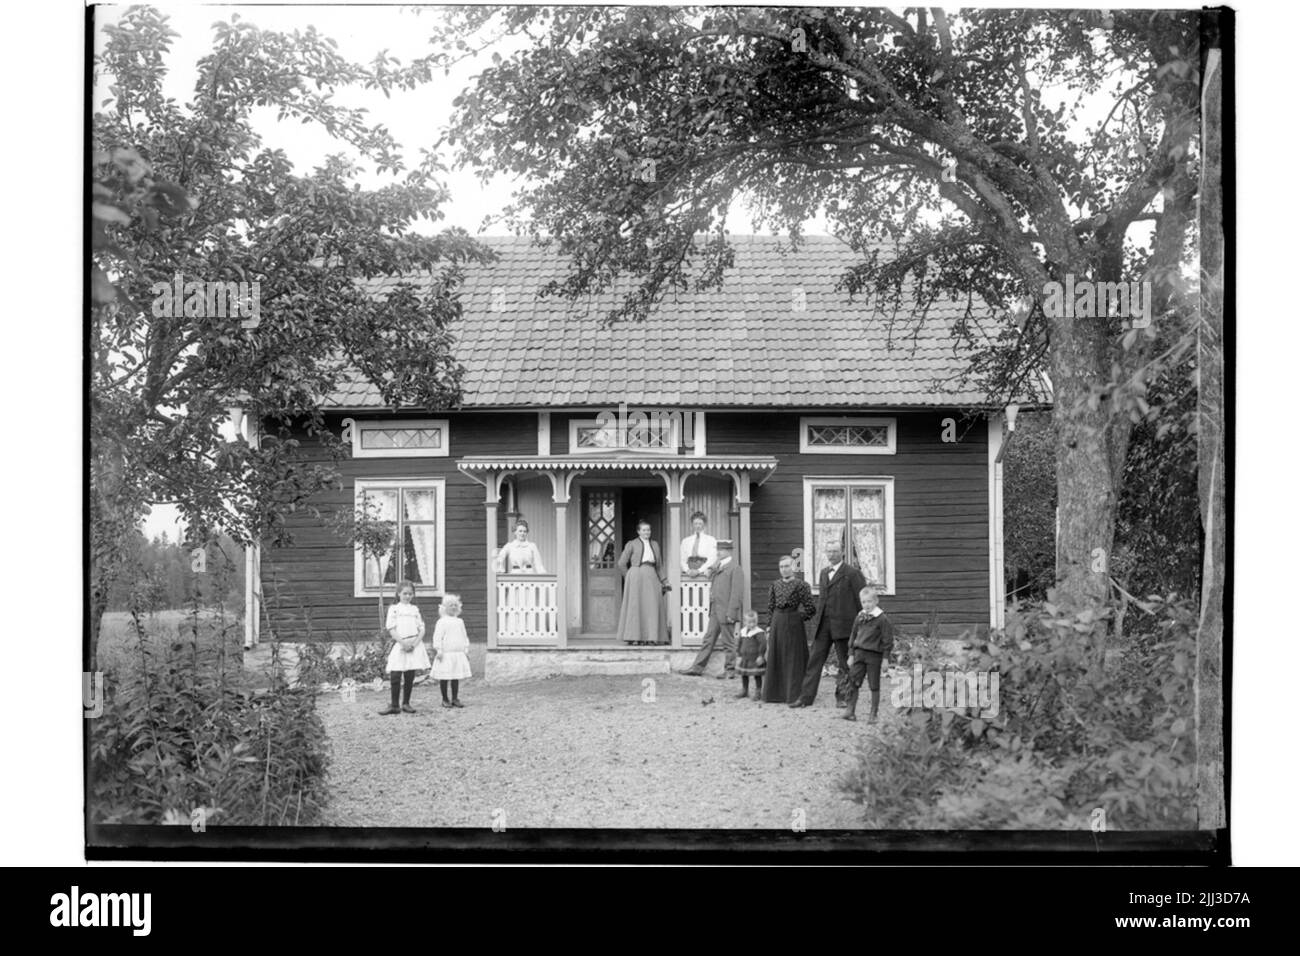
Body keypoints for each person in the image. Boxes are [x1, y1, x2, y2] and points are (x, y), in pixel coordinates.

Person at [791, 542, 865, 708]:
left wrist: (861, 625)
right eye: (829, 551)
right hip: (824, 625)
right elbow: (823, 599)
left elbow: (862, 600)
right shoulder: (824, 573)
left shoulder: (852, 574)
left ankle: (843, 697)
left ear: (842, 553)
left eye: (835, 551)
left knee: (845, 663)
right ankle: (805, 698)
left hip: (844, 626)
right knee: (814, 661)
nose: (831, 554)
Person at [681, 538, 744, 676]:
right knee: (708, 639)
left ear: (728, 551)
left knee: (728, 643)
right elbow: (712, 575)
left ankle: (730, 670)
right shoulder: (718, 566)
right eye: (718, 549)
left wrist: (731, 613)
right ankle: (697, 668)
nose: (718, 552)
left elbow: (736, 594)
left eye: (721, 550)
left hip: (727, 611)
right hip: (715, 610)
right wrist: (711, 567)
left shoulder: (735, 568)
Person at [762, 556, 816, 704]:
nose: (784, 569)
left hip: (794, 623)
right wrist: (769, 626)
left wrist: (798, 618)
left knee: (793, 657)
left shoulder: (802, 585)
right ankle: (775, 694)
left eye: (787, 566)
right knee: (777, 655)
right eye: (781, 567)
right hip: (777, 622)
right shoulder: (774, 585)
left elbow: (811, 608)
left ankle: (793, 694)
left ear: (793, 567)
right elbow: (770, 607)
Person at [841, 586, 894, 722]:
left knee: (874, 684)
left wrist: (885, 659)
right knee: (853, 681)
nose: (867, 605)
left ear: (876, 601)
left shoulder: (882, 619)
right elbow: (853, 635)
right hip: (859, 654)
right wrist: (851, 654)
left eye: (870, 601)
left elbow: (887, 640)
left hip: (874, 656)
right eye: (864, 602)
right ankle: (850, 710)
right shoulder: (860, 617)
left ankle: (873, 714)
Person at [616, 520, 670, 645]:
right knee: (636, 607)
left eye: (649, 530)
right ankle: (635, 637)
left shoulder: (655, 544)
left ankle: (651, 637)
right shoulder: (632, 544)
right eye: (644, 530)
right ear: (638, 531)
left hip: (651, 575)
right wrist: (629, 576)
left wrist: (664, 580)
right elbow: (621, 563)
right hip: (636, 575)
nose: (647, 532)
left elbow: (659, 566)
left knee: (652, 606)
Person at [379, 581, 429, 715]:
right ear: (398, 594)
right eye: (405, 593)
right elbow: (391, 628)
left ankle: (406, 703)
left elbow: (422, 629)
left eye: (410, 594)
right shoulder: (394, 608)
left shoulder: (415, 609)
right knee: (395, 673)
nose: (407, 596)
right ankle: (394, 705)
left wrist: (414, 644)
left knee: (409, 674)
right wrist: (403, 643)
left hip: (414, 645)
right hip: (401, 644)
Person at [430, 594, 473, 708]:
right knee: (445, 677)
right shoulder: (442, 622)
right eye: (450, 605)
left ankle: (455, 698)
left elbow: (464, 636)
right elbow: (437, 637)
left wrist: (466, 649)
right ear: (444, 608)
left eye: (455, 605)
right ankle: (445, 698)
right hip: (446, 654)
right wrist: (439, 650)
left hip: (457, 653)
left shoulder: (460, 621)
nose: (453, 607)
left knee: (455, 676)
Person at [733, 610, 767, 700]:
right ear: (745, 622)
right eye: (749, 622)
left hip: (755, 658)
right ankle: (745, 690)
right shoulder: (743, 632)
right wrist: (739, 655)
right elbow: (739, 643)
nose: (752, 624)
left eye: (754, 622)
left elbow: (763, 644)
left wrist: (761, 655)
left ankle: (758, 691)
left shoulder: (758, 632)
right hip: (745, 657)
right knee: (744, 674)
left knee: (757, 674)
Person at [679, 511, 718, 578]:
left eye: (700, 523)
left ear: (704, 524)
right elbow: (682, 558)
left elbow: (712, 558)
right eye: (695, 523)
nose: (698, 526)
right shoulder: (685, 541)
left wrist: (699, 571)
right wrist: (687, 570)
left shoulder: (711, 540)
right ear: (692, 525)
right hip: (688, 573)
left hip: (705, 573)